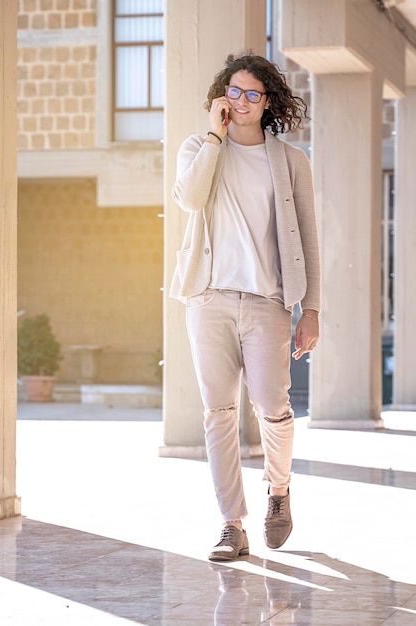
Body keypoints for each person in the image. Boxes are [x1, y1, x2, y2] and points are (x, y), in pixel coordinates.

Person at [169, 52, 321, 561]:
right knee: (218, 411)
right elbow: (189, 199)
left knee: (272, 407)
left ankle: (278, 491)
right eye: (234, 91)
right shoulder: (199, 146)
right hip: (208, 299)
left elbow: (309, 240)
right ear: (221, 96)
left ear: (268, 100)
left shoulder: (290, 161)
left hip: (267, 302)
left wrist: (312, 309)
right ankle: (231, 523)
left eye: (254, 93)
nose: (243, 101)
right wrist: (215, 137)